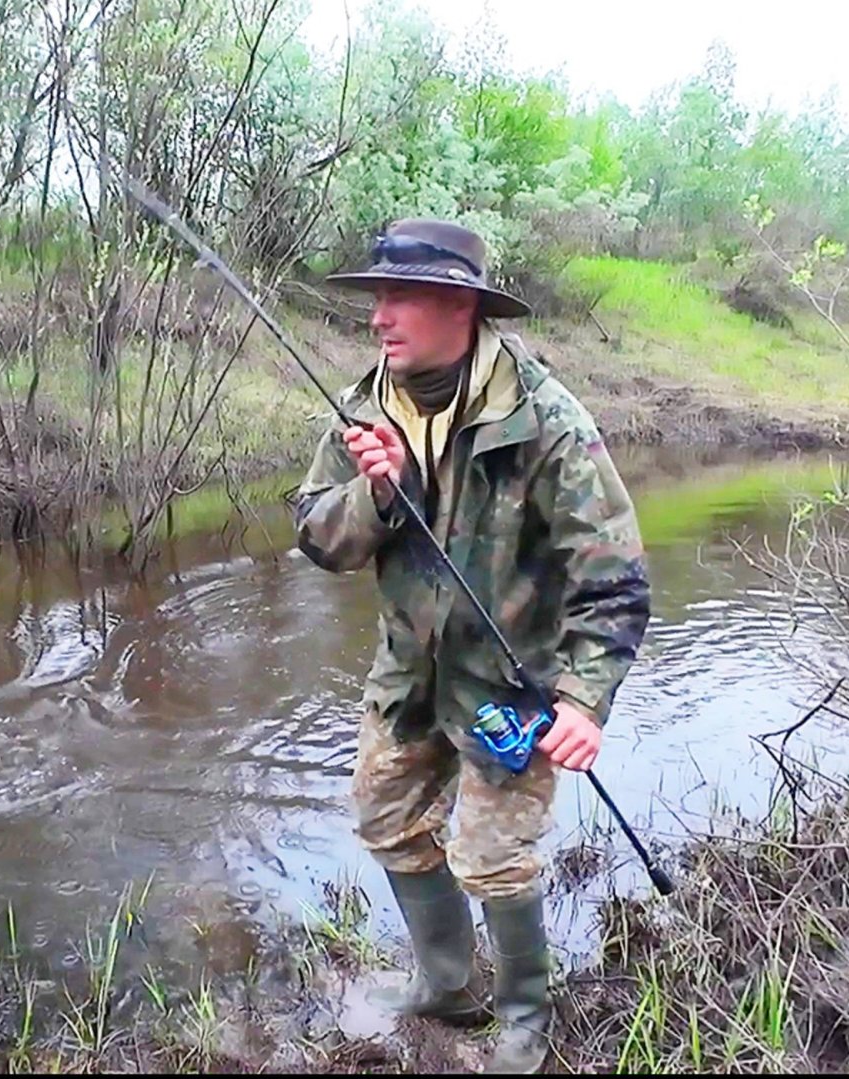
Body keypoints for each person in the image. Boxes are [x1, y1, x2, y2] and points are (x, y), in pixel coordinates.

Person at [292, 219, 651, 1073]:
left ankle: (527, 1014)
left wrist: (584, 700)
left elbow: (616, 578)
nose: (378, 316)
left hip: (511, 686)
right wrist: (381, 495)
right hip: (407, 675)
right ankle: (450, 984)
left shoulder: (548, 421)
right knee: (382, 818)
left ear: (459, 304)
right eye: (373, 297)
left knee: (491, 857)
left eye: (399, 296)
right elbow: (316, 537)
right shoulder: (364, 405)